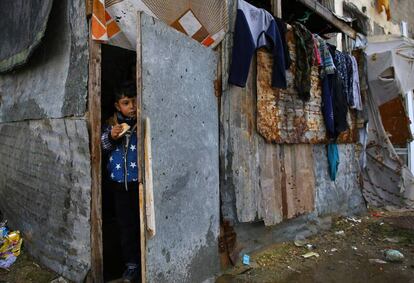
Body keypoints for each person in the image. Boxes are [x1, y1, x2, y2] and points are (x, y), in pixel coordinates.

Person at [101, 82, 140, 283]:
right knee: (126, 228)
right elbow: (103, 146)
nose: (132, 106)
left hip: (139, 186)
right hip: (119, 188)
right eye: (126, 103)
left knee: (142, 226)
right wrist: (111, 135)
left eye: (134, 101)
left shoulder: (142, 122)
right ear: (118, 106)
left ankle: (145, 262)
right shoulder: (110, 124)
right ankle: (131, 266)